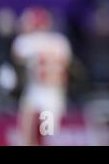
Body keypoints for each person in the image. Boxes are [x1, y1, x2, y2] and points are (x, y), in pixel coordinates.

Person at [12, 7, 72, 145]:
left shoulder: (25, 42)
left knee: (29, 138)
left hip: (37, 93)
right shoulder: (61, 42)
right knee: (47, 137)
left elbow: (17, 55)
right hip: (54, 97)